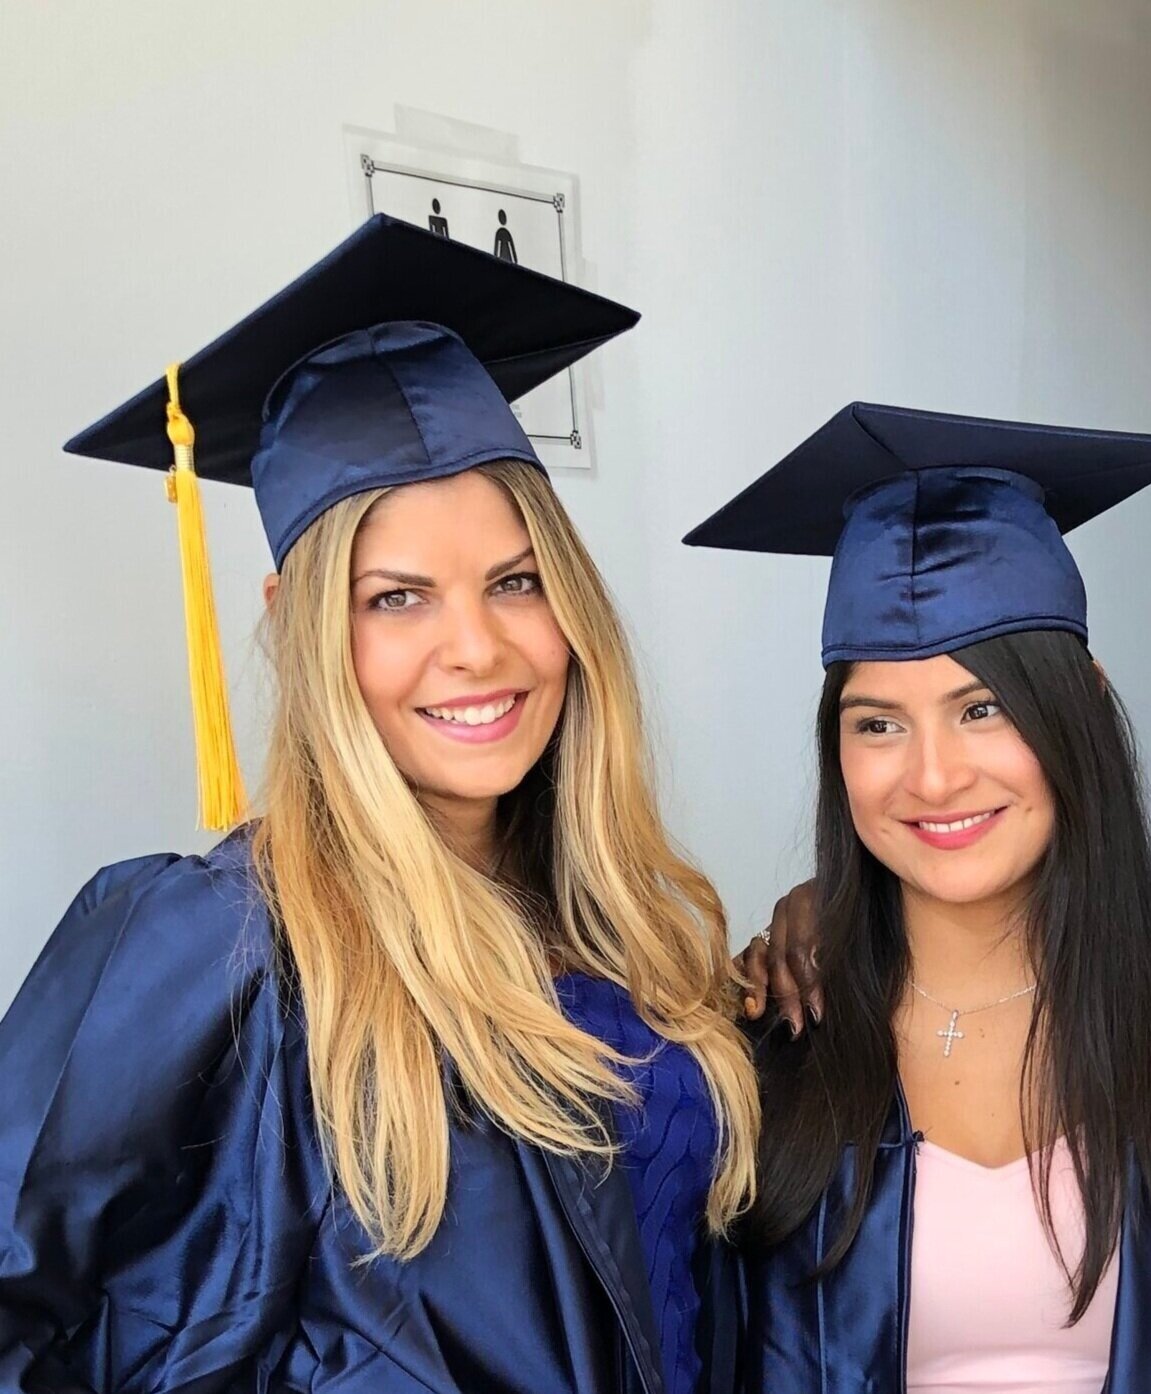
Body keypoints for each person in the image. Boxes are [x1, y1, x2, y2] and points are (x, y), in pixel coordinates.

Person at [0, 214, 758, 1393]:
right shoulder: (223, 939)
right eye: (396, 597)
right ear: (294, 623)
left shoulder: (622, 924)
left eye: (515, 581)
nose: (477, 647)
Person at [688, 403, 1151, 1393]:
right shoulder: (767, 1048)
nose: (932, 777)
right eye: (877, 723)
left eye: (980, 707)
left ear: (1082, 704)